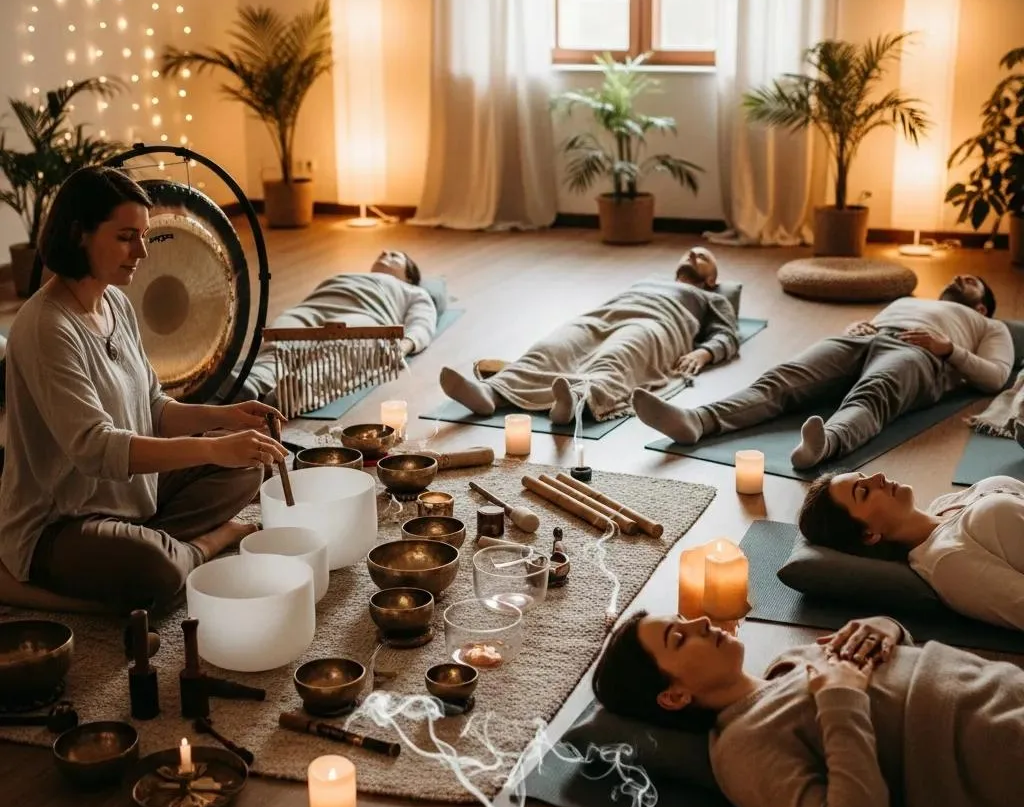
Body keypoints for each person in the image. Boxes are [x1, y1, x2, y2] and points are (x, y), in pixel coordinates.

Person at [0, 167, 289, 614]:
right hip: (61, 523)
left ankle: (144, 551)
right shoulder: (46, 328)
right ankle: (200, 546)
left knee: (248, 464)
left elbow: (154, 407)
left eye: (143, 236)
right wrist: (212, 450)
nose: (141, 252)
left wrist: (225, 419)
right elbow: (96, 451)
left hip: (133, 496)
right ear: (79, 234)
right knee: (159, 571)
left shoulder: (115, 301)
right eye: (125, 237)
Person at [594, 610, 1024, 807]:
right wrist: (841, 699)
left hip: (1005, 688)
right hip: (995, 751)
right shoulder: (743, 747)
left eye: (685, 619)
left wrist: (887, 627)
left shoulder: (791, 659)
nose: (702, 622)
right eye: (679, 638)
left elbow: (893, 664)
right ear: (674, 697)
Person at [633, 276, 1014, 468]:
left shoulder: (990, 327)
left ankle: (824, 444)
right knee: (783, 378)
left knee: (875, 393)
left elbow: (996, 375)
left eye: (971, 280)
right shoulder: (905, 300)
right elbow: (872, 325)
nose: (960, 276)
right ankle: (696, 421)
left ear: (981, 308)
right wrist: (859, 329)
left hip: (921, 356)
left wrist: (948, 349)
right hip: (867, 338)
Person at [439, 247, 739, 423]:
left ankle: (574, 402)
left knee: (617, 356)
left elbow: (727, 334)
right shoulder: (649, 280)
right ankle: (491, 393)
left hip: (658, 324)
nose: (692, 254)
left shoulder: (712, 298)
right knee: (553, 347)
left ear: (712, 278)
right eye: (690, 253)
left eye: (701, 257)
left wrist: (704, 352)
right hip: (605, 316)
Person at [799, 471, 1024, 631]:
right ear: (869, 535)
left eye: (863, 475)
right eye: (864, 491)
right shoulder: (947, 562)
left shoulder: (944, 503)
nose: (877, 476)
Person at [241, 248, 437, 402]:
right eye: (383, 253)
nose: (384, 253)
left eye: (394, 255)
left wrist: (403, 346)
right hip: (312, 309)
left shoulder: (412, 291)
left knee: (341, 349)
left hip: (363, 314)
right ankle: (253, 382)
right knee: (280, 340)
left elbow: (422, 322)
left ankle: (298, 389)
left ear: (409, 275)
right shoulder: (348, 276)